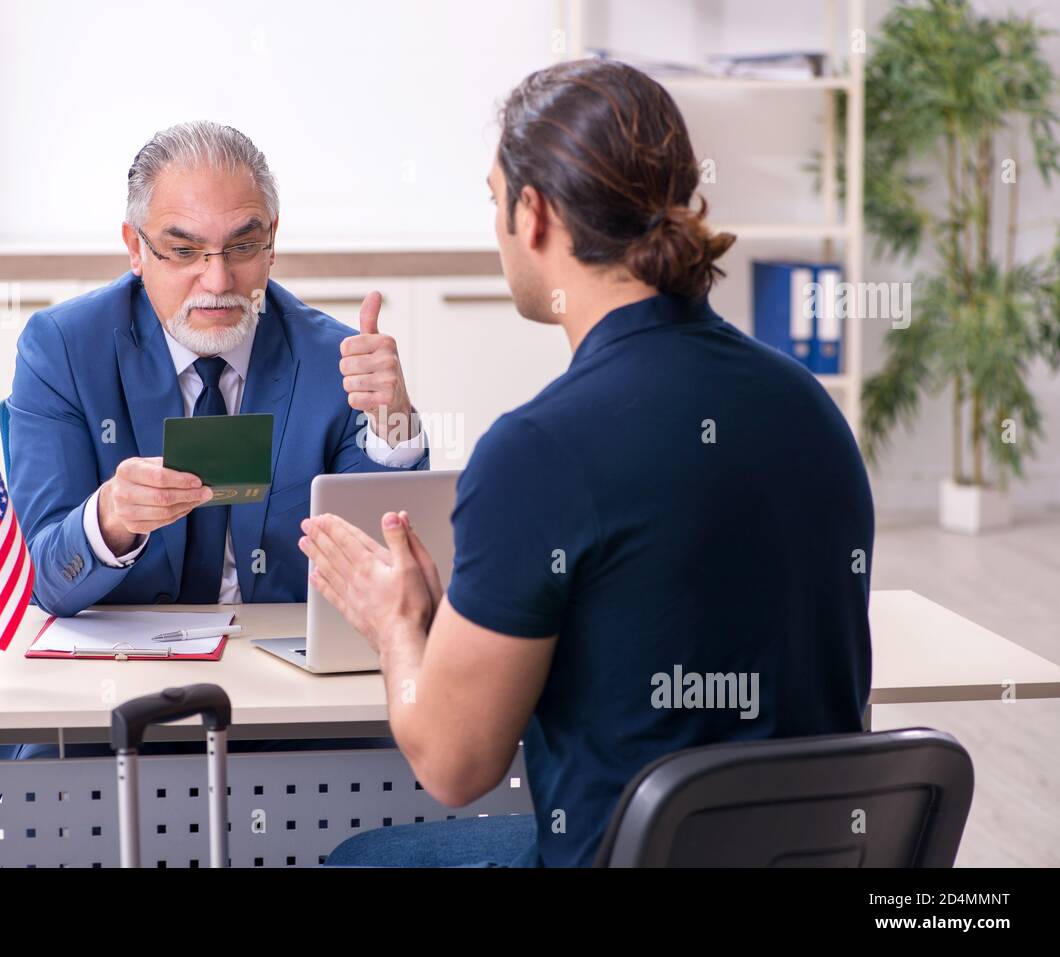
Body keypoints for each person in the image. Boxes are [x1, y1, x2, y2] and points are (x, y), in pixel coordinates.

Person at [300, 58, 874, 867]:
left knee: (361, 859)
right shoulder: (811, 407)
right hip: (806, 856)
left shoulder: (538, 451)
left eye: (495, 202)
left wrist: (398, 624)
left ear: (532, 214)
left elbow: (453, 763)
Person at [0, 121, 428, 760]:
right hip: (113, 695)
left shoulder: (337, 357)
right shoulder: (63, 349)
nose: (217, 282)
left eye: (240, 247)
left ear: (272, 242)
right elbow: (48, 578)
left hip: (291, 694)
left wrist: (393, 423)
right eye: (184, 251)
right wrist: (109, 518)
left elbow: (391, 572)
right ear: (135, 249)